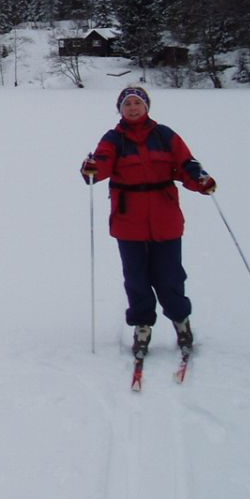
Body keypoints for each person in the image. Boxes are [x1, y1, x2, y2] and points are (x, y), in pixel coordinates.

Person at [80, 84, 216, 359]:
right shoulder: (113, 138)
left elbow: (186, 165)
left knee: (170, 276)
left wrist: (201, 181)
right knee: (136, 278)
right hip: (128, 220)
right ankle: (142, 326)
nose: (132, 108)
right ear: (120, 110)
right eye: (127, 104)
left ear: (146, 107)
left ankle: (182, 323)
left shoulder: (164, 135)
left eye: (137, 104)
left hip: (165, 217)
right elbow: (101, 164)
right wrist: (91, 168)